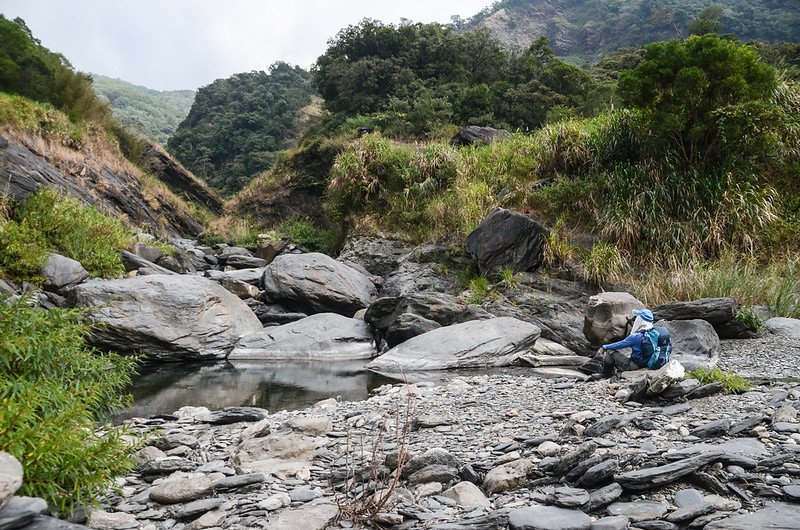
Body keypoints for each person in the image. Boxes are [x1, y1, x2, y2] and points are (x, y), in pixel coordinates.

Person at [597, 308, 655, 378]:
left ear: (640, 320)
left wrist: (604, 347)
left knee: (610, 352)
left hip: (636, 365)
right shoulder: (654, 333)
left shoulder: (636, 336)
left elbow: (620, 344)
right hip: (650, 363)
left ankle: (606, 374)